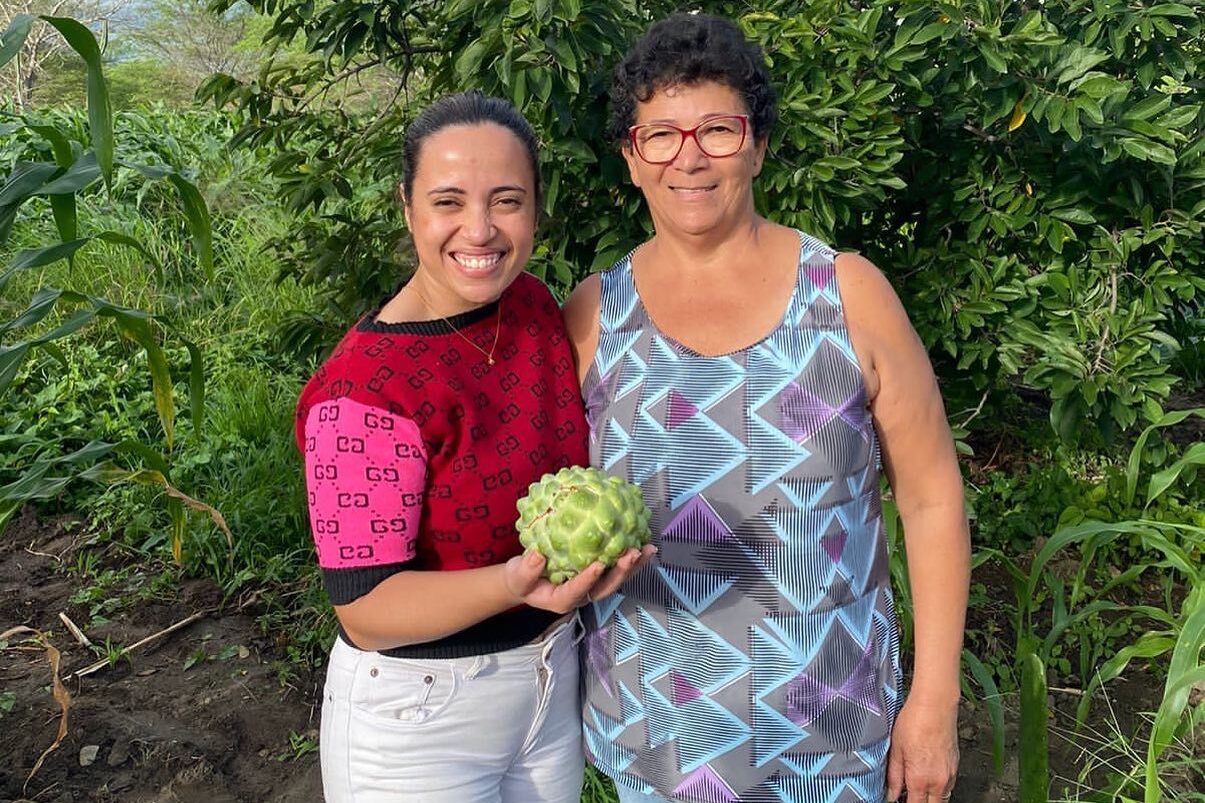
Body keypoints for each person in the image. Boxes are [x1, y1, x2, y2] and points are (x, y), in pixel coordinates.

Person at [564, 14, 970, 803]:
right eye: (661, 134)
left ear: (756, 144)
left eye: (717, 129)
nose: (690, 156)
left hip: (832, 733)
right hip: (657, 736)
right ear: (631, 157)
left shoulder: (849, 293)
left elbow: (929, 499)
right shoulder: (590, 316)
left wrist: (934, 702)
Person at [295, 91, 652, 803]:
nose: (480, 229)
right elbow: (364, 607)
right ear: (408, 206)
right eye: (449, 201)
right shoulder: (363, 392)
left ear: (536, 209)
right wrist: (513, 584)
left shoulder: (530, 310)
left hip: (549, 686)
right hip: (419, 719)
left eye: (508, 201)